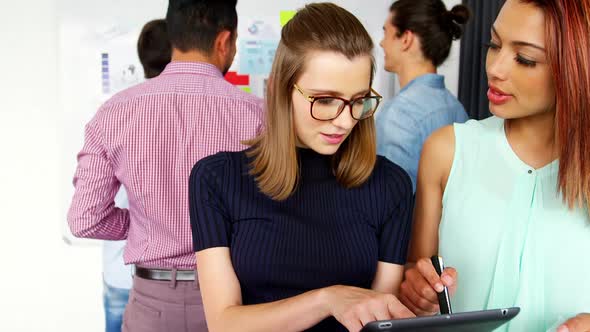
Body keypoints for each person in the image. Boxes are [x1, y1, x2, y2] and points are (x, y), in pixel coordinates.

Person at [189, 3, 415, 332]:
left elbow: (377, 320)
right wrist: (327, 299)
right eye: (324, 101)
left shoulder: (390, 185)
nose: (345, 120)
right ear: (282, 89)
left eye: (358, 100)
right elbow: (224, 323)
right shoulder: (216, 179)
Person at [67, 0, 263, 331]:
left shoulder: (115, 113)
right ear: (224, 41)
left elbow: (84, 219)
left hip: (151, 302)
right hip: (234, 299)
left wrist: (146, 223)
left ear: (173, 35)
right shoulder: (259, 114)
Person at [400, 0, 590, 331]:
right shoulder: (447, 151)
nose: (495, 68)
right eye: (494, 45)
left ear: (576, 67)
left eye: (525, 59)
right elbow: (414, 281)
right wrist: (419, 292)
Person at [101, 18, 171, 332]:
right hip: (170, 279)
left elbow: (92, 206)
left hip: (120, 268)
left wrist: (139, 223)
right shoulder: (188, 118)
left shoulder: (115, 114)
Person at [376, 0, 470, 192]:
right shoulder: (457, 109)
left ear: (406, 39)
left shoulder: (398, 115)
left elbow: (387, 204)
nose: (381, 42)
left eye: (386, 32)